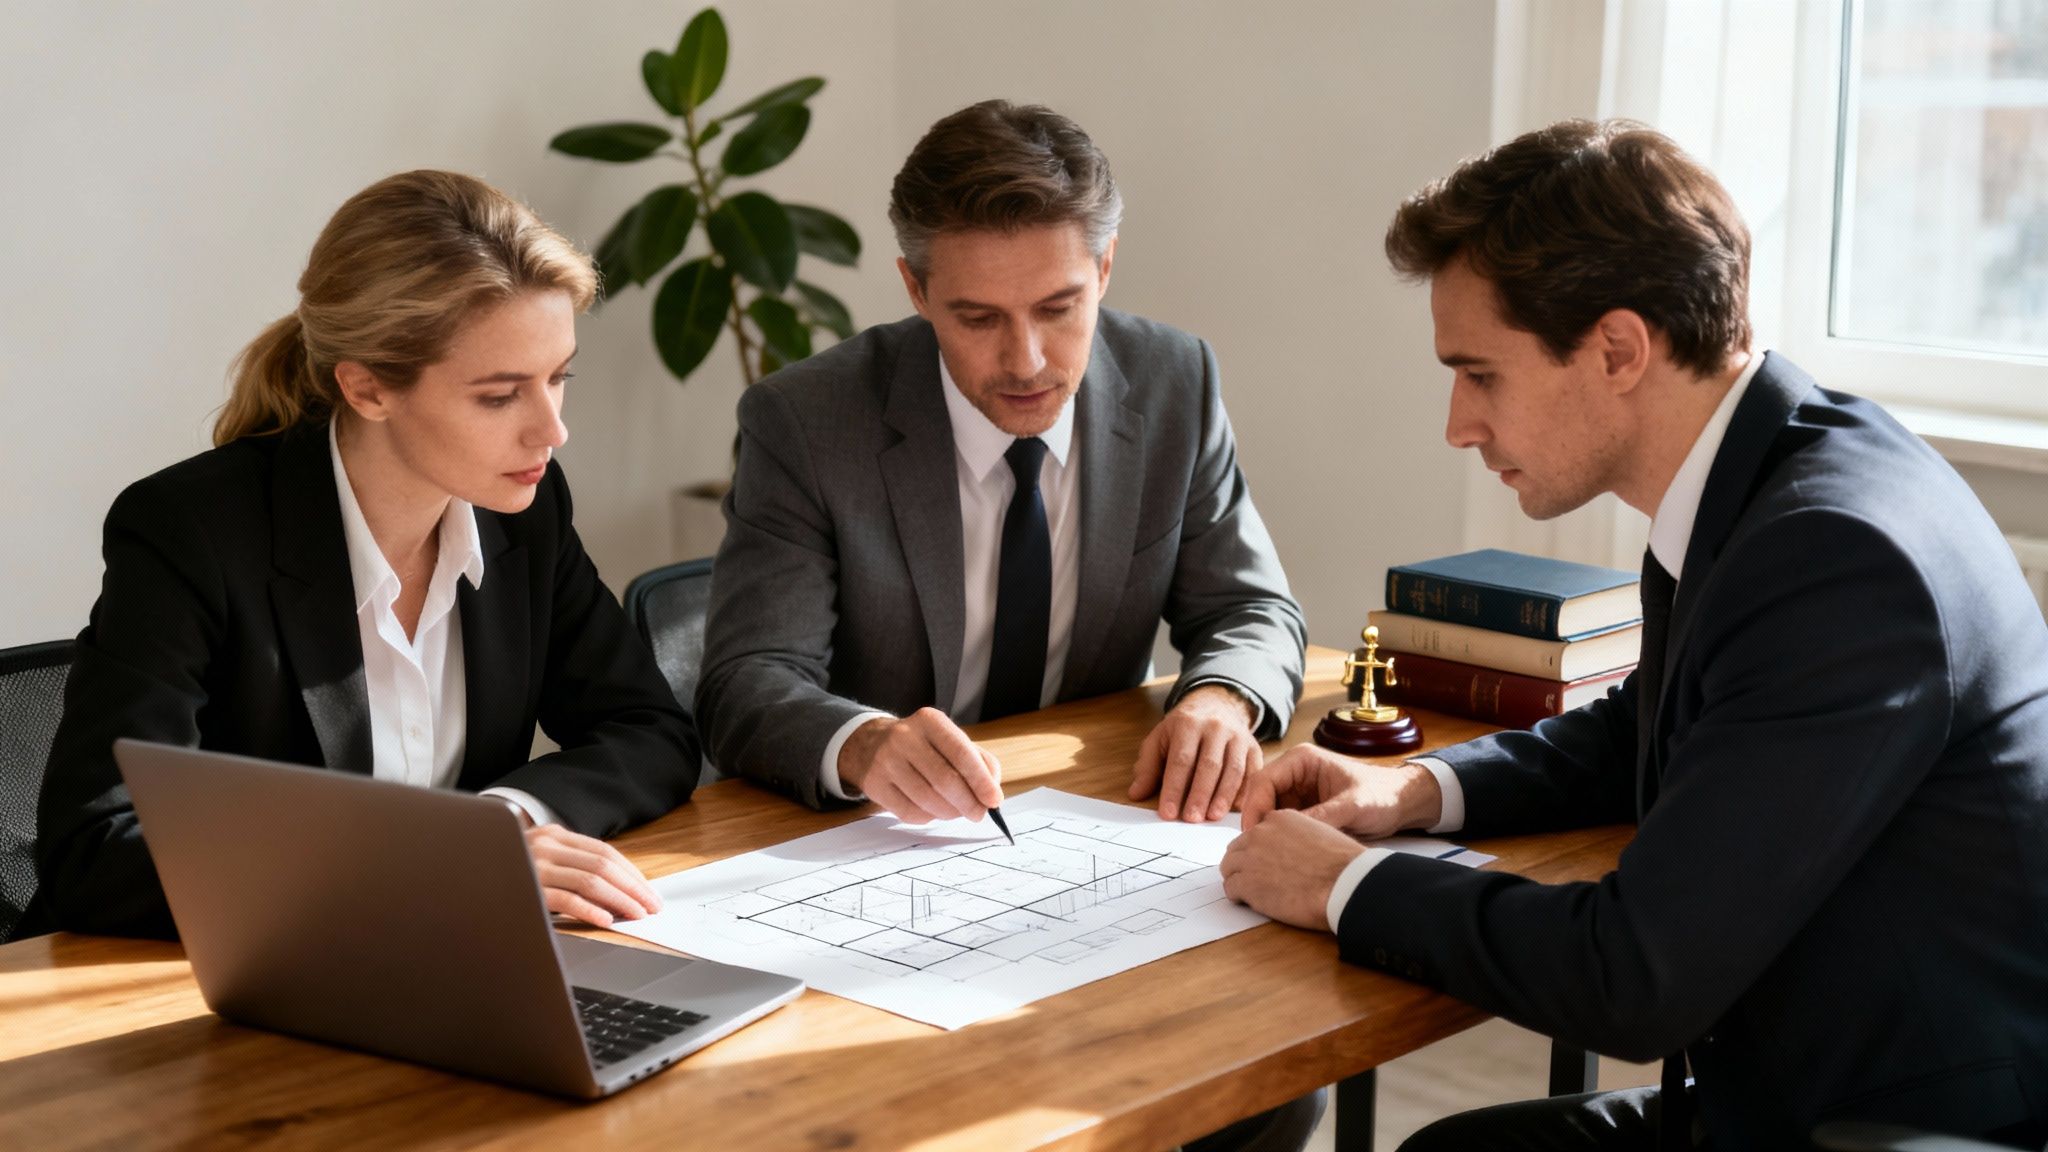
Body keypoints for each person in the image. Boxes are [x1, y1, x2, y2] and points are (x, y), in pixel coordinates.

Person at [1220, 120, 2048, 1149]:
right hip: (1800, 1089)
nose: (1456, 424)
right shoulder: (1775, 473)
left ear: (1616, 349)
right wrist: (1414, 791)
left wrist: (1342, 884)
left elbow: (1635, 978)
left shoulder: (1834, 557)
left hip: (1885, 1125)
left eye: (1479, 374)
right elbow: (1648, 726)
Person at [36, 170, 700, 940]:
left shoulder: (525, 510)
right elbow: (95, 852)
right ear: (367, 389)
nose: (552, 432)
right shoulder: (191, 532)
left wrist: (500, 824)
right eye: (499, 395)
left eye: (559, 379)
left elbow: (648, 731)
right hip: (205, 994)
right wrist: (430, 861)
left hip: (438, 957)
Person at [698, 100, 1307, 828]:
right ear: (916, 290)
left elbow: (1252, 609)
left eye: (1058, 308)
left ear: (1105, 268)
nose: (1027, 362)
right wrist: (863, 743)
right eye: (979, 319)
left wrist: (1220, 699)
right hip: (879, 834)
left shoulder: (1174, 381)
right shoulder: (808, 422)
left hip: (1102, 810)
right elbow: (746, 680)